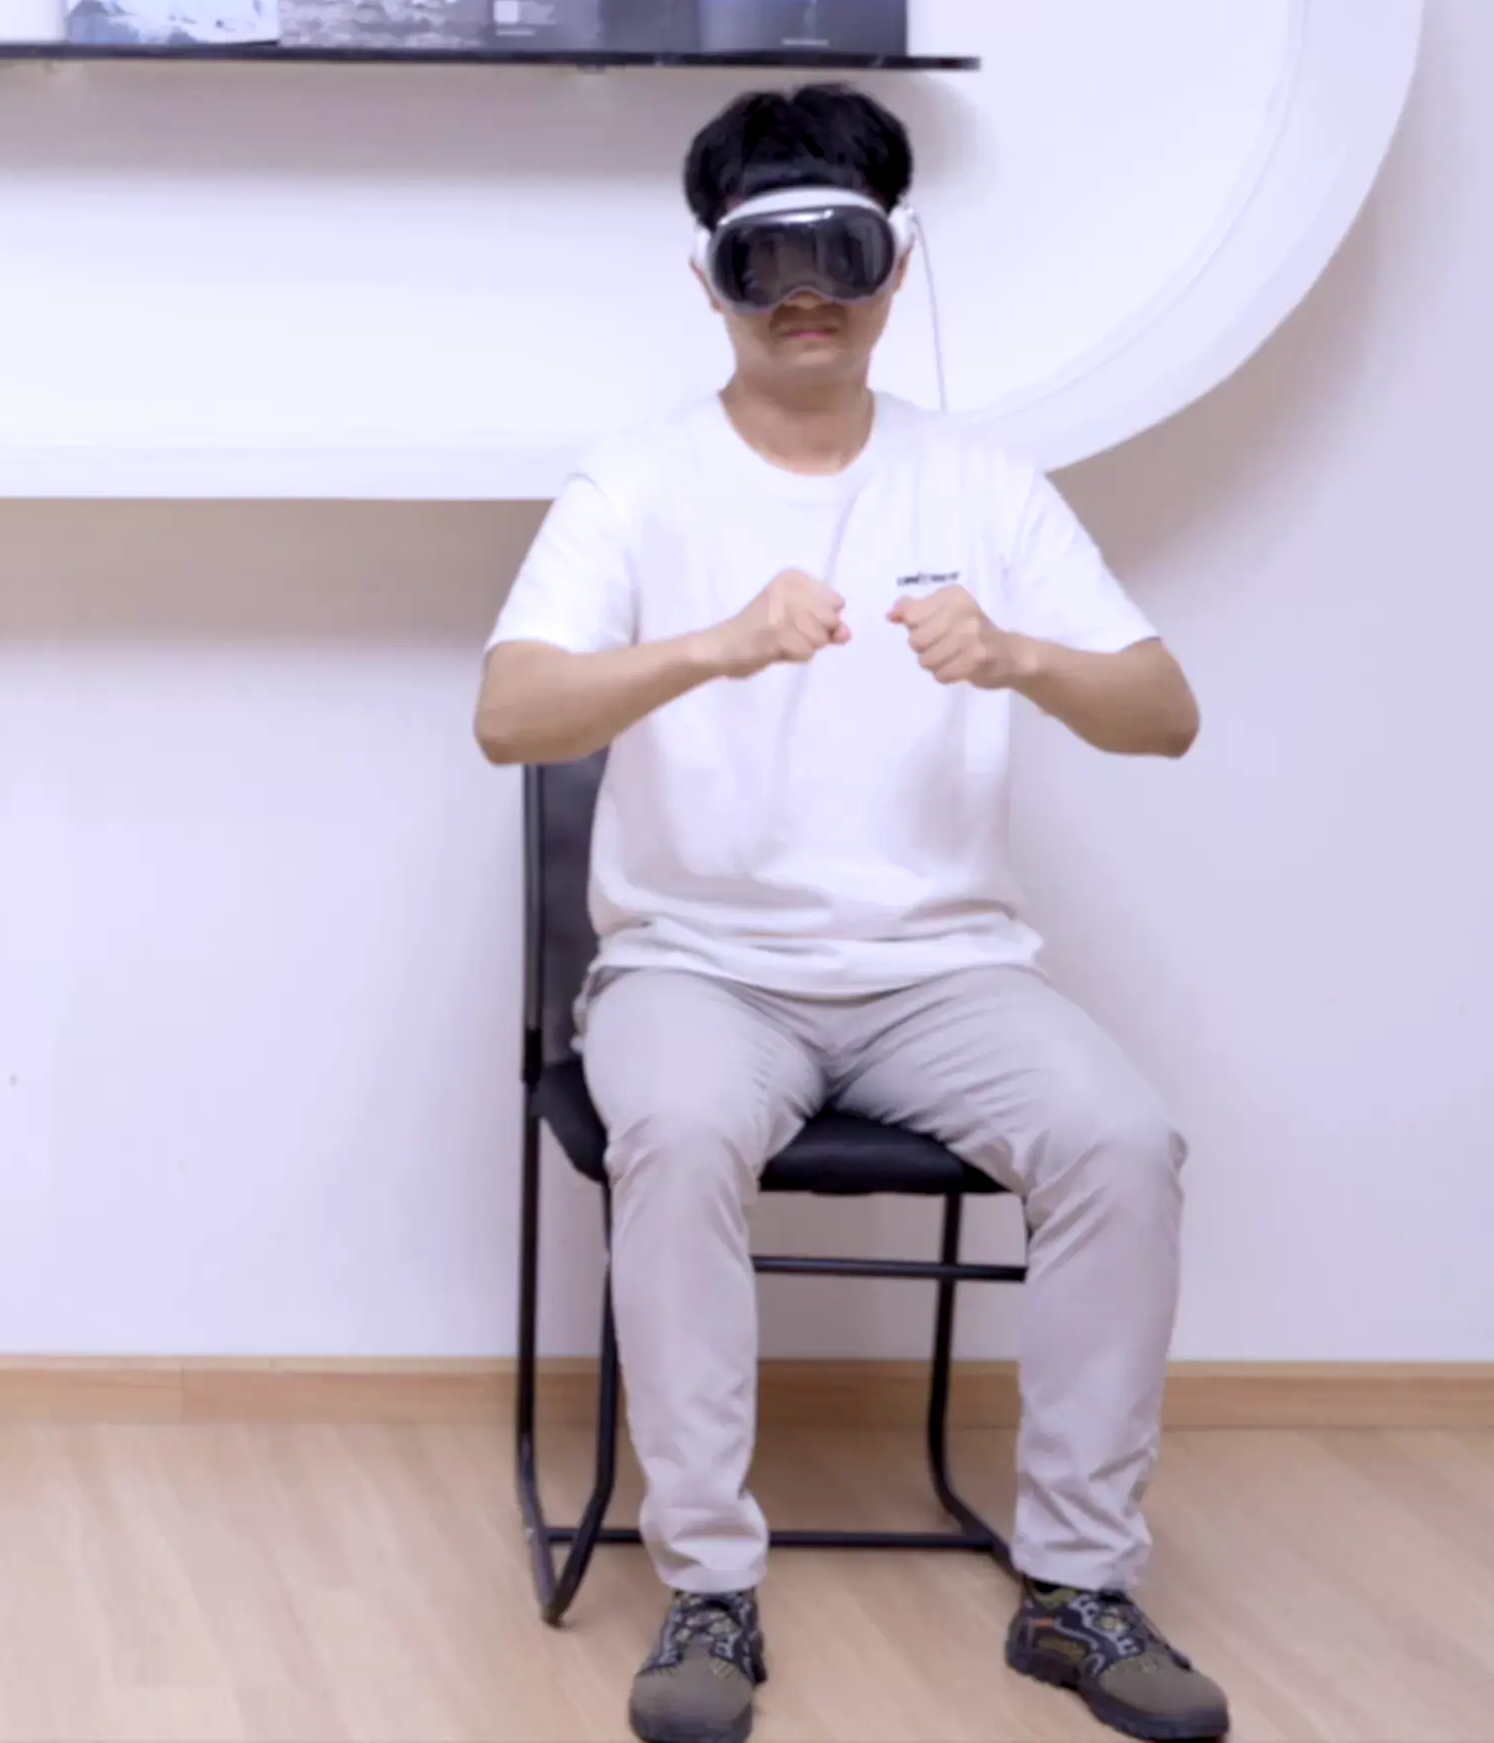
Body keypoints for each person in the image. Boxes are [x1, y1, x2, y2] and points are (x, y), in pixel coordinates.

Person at [474, 85, 1223, 1743]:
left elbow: (1164, 711)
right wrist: (711, 646)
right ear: (710, 280)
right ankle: (708, 1586)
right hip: (694, 966)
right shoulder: (637, 482)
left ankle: (1079, 1583)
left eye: (844, 253)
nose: (808, 291)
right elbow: (510, 714)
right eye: (769, 261)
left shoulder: (985, 484)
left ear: (899, 267)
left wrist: (1020, 656)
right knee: (677, 1133)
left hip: (942, 974)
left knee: (1120, 1140)